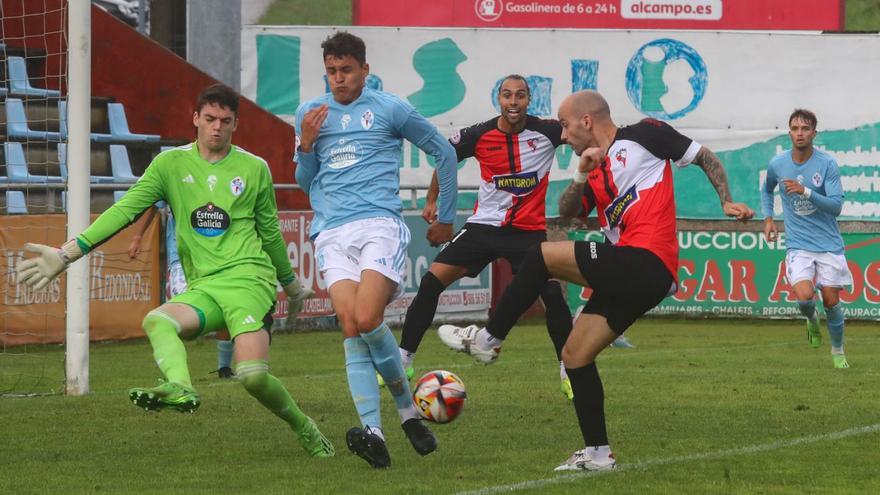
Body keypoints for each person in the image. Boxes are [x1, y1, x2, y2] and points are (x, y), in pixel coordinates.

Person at [439, 90, 754, 471]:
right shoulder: (596, 168)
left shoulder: (645, 134)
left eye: (566, 125)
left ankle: (488, 340)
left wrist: (726, 200)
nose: (563, 134)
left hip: (648, 260)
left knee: (541, 255)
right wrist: (581, 174)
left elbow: (703, 155)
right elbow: (567, 212)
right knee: (575, 355)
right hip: (630, 274)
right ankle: (598, 454)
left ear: (587, 121)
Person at [17, 84, 334, 458]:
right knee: (157, 320)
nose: (217, 127)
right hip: (205, 285)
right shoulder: (169, 165)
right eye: (210, 119)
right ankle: (181, 387)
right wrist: (68, 253)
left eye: (226, 121)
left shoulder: (254, 169)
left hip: (250, 280)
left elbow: (269, 233)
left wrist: (292, 285)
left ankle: (306, 427)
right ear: (196, 118)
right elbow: (125, 210)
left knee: (252, 377)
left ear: (235, 124)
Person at [293, 31, 458, 468]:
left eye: (347, 70)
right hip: (331, 233)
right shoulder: (310, 113)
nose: (339, 79)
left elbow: (443, 151)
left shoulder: (390, 108)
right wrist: (306, 146)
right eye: (331, 71)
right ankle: (380, 430)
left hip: (379, 226)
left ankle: (404, 412)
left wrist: (445, 214)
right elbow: (305, 182)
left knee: (367, 317)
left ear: (365, 70)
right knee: (351, 325)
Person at [399, 74, 574, 400]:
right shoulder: (479, 134)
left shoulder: (547, 132)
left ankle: (569, 369)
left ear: (528, 100)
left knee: (551, 294)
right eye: (507, 95)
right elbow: (445, 156)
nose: (513, 102)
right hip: (483, 227)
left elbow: (580, 133)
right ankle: (404, 357)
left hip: (527, 233)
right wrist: (432, 200)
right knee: (431, 281)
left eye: (520, 96)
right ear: (499, 99)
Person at [761, 109, 851, 369]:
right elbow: (766, 189)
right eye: (795, 128)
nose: (800, 133)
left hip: (828, 244)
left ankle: (837, 351)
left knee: (831, 300)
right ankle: (811, 321)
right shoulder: (778, 163)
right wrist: (768, 219)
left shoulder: (827, 164)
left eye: (805, 128)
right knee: (803, 297)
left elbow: (836, 207)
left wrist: (806, 191)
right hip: (798, 244)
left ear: (814, 132)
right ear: (789, 132)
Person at [129, 205, 235, 378]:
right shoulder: (175, 178)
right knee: (178, 322)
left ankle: (224, 368)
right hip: (181, 259)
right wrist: (137, 236)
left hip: (217, 258)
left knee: (224, 310)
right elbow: (152, 204)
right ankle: (174, 370)